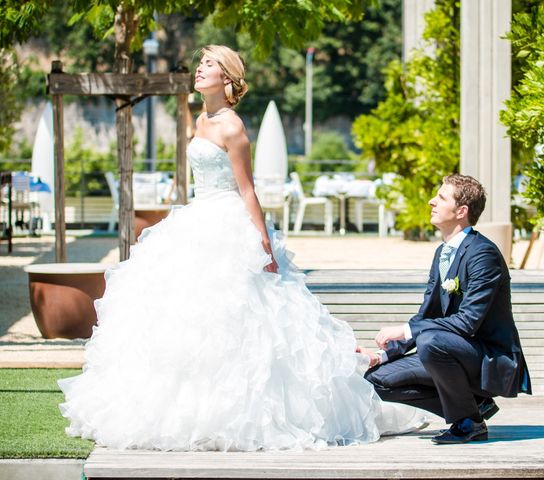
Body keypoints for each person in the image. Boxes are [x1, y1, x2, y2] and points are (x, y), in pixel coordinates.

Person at [58, 45, 425, 452]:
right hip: (198, 219)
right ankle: (189, 409)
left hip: (229, 222)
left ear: (227, 79)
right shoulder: (200, 119)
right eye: (200, 64)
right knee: (185, 318)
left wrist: (263, 244)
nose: (199, 70)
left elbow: (247, 190)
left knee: (242, 316)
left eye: (208, 65)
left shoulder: (232, 127)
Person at [359, 174, 531, 444]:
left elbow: (467, 322)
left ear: (461, 211)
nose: (431, 201)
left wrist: (404, 331)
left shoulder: (483, 254)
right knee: (376, 379)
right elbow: (428, 315)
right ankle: (475, 407)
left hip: (488, 358)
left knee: (430, 340)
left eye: (441, 198)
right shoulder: (443, 253)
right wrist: (383, 356)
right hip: (447, 351)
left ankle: (468, 422)